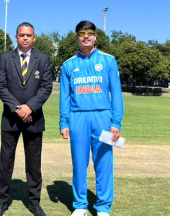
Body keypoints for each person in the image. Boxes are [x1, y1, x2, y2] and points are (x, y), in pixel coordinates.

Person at [59, 20, 124, 216]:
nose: (85, 36)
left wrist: (115, 122)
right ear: (76, 37)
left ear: (95, 36)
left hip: (102, 117)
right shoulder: (68, 65)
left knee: (103, 163)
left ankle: (103, 207)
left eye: (89, 33)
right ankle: (80, 205)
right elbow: (65, 96)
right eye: (81, 33)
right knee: (79, 163)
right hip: (77, 118)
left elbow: (117, 94)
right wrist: (64, 122)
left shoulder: (108, 61)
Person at [0, 22, 53, 216]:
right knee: (5, 162)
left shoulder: (43, 59)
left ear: (34, 38)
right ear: (16, 37)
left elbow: (46, 87)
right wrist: (18, 109)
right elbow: (0, 87)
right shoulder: (4, 58)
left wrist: (30, 107)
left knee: (34, 163)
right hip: (11, 118)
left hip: (34, 118)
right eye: (21, 35)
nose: (25, 38)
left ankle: (35, 203)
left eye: (28, 35)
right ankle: (1, 201)